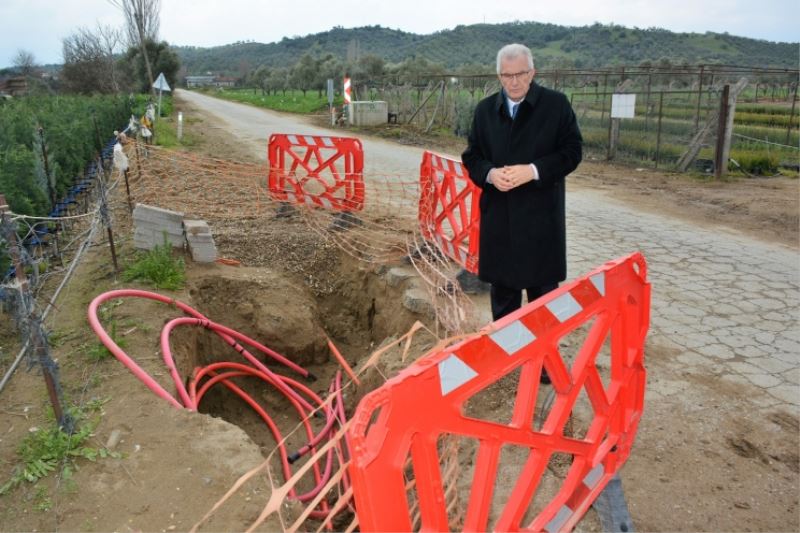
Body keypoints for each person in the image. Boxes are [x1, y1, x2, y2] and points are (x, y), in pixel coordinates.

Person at [462, 43, 583, 325]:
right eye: (506, 75)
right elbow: (472, 155)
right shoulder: (484, 111)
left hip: (541, 225)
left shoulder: (556, 106)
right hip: (499, 225)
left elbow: (572, 152)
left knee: (544, 308)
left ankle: (544, 368)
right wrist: (490, 174)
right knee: (504, 307)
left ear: (532, 73)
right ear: (498, 76)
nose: (513, 82)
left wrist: (534, 170)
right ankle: (511, 364)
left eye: (520, 74)